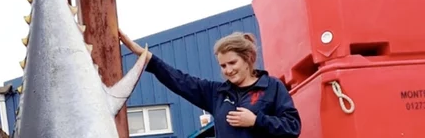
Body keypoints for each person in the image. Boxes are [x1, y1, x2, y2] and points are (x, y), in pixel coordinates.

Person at [119, 29, 301, 138]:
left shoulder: (272, 87)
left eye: (232, 63)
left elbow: (293, 127)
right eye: (223, 65)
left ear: (248, 59)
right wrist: (144, 56)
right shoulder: (216, 93)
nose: (227, 70)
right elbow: (179, 80)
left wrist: (256, 121)